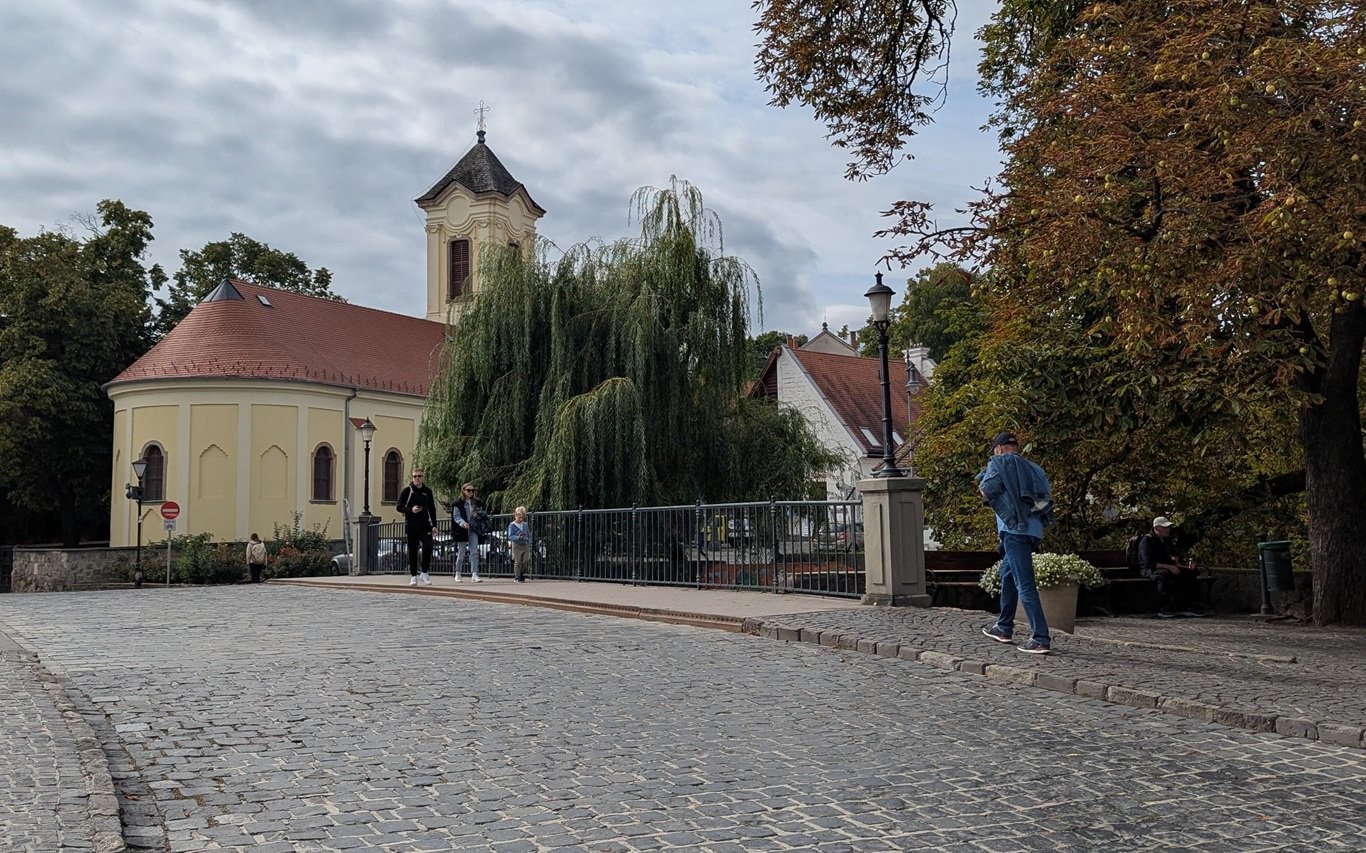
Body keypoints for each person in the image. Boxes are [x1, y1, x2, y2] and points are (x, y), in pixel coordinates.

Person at [977, 431, 1056, 654]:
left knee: (1025, 582)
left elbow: (986, 490)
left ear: (999, 449)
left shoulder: (999, 463)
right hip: (1034, 531)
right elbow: (1046, 499)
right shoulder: (1035, 469)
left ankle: (1040, 637)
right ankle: (1003, 627)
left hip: (1014, 530)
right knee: (1007, 574)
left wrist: (984, 480)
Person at [1138, 516, 1203, 617]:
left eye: (1168, 527)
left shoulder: (1166, 540)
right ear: (1157, 528)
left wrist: (1181, 564)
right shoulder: (1147, 541)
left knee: (1190, 574)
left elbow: (1174, 555)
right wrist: (1168, 567)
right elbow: (1148, 563)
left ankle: (1189, 605)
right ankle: (1164, 606)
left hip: (1167, 567)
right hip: (1151, 570)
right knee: (1164, 575)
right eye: (1165, 527)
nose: (1168, 530)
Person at [396, 470, 438, 586]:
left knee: (428, 546)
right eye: (415, 476)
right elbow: (399, 507)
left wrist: (434, 525)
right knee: (413, 550)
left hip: (425, 524)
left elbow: (432, 509)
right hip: (412, 524)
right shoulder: (407, 491)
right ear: (412, 478)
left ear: (423, 477)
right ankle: (413, 575)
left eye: (419, 476)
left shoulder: (427, 491)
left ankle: (424, 572)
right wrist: (411, 510)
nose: (417, 478)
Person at [452, 482, 484, 583]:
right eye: (469, 490)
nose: (471, 492)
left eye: (472, 490)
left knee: (474, 551)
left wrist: (477, 515)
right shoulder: (458, 503)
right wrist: (463, 523)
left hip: (473, 529)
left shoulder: (476, 502)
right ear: (464, 491)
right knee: (461, 552)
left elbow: (482, 513)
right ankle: (458, 572)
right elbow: (456, 516)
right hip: (462, 530)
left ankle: (474, 574)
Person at [508, 506, 531, 583]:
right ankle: (517, 576)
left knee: (525, 560)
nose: (521, 519)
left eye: (522, 518)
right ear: (515, 516)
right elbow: (510, 536)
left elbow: (528, 534)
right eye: (519, 517)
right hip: (517, 545)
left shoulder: (525, 524)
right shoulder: (512, 525)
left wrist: (528, 540)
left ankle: (521, 572)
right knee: (517, 561)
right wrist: (518, 537)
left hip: (525, 544)